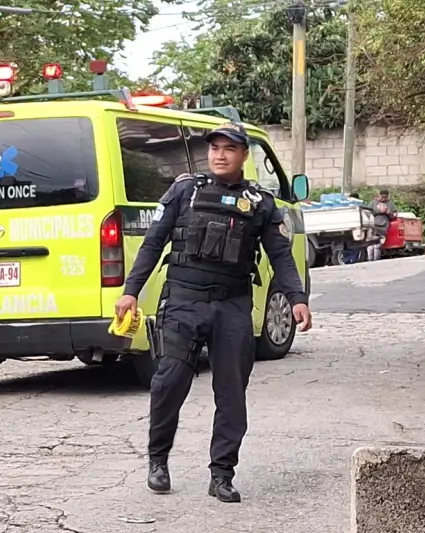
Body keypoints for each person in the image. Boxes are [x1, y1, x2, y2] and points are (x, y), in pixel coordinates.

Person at [114, 122, 313, 504]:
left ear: (244, 155)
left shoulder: (260, 203)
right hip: (183, 301)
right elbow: (152, 244)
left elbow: (281, 255)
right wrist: (130, 292)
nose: (220, 155)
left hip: (232, 305)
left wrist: (296, 297)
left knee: (232, 393)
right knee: (169, 383)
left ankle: (222, 474)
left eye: (229, 149)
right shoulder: (184, 191)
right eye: (215, 148)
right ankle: (158, 461)